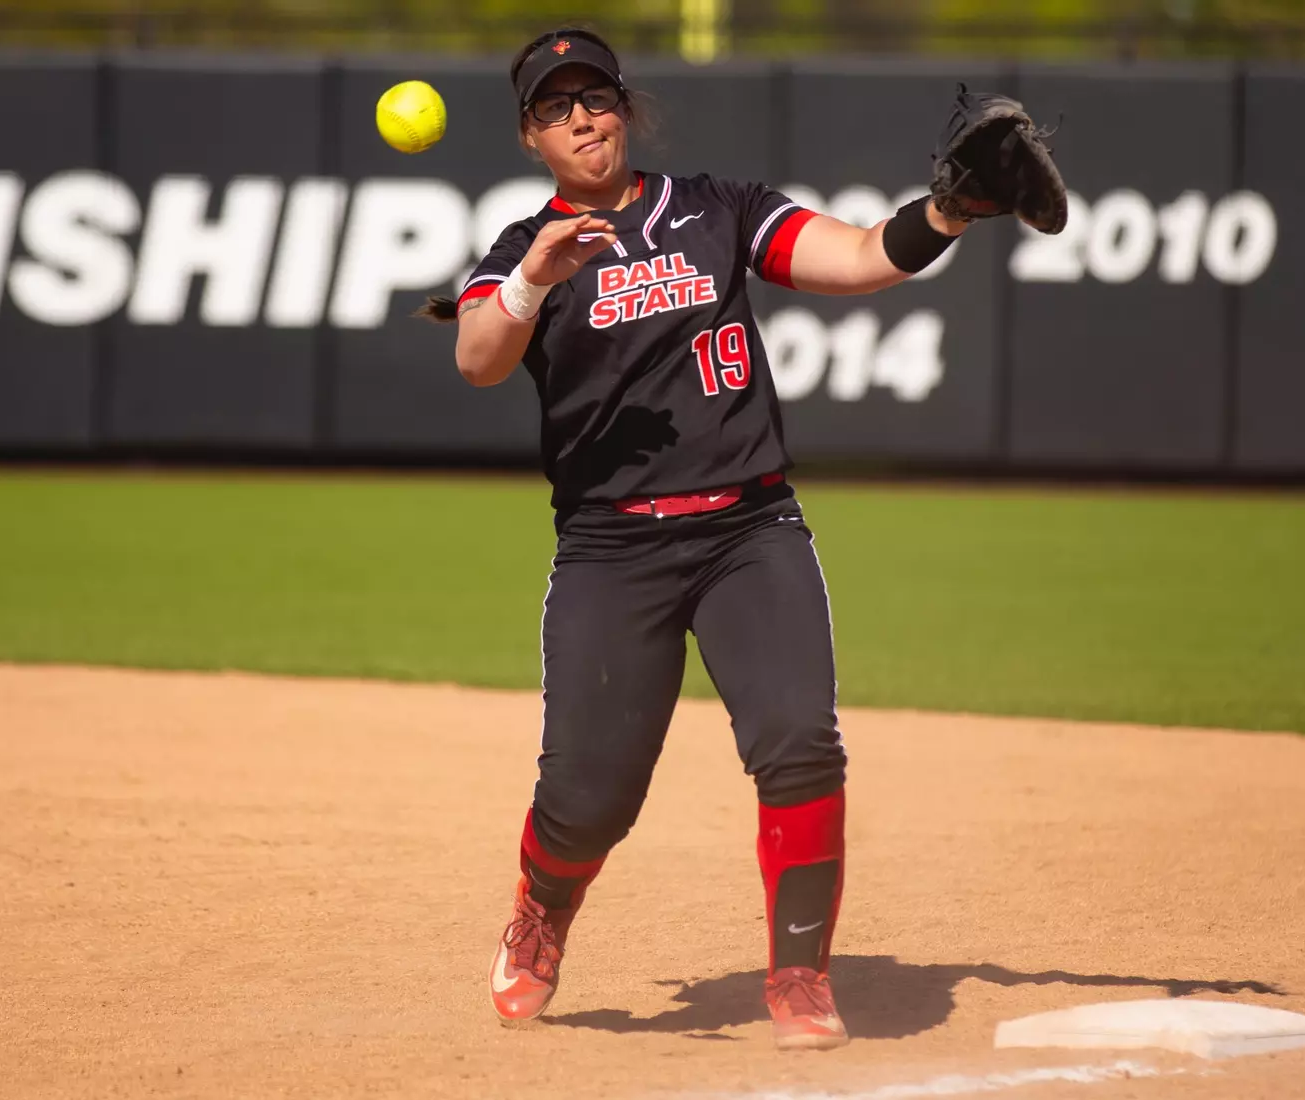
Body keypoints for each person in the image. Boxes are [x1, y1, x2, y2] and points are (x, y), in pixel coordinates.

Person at [418, 27, 986, 1051]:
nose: (582, 118)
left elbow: (856, 258)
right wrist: (536, 279)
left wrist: (941, 214)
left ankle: (801, 972)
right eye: (556, 108)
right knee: (589, 798)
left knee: (800, 739)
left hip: (747, 529)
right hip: (610, 547)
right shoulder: (521, 249)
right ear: (530, 137)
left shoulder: (717, 210)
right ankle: (543, 906)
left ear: (625, 109)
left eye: (595, 97)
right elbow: (476, 358)